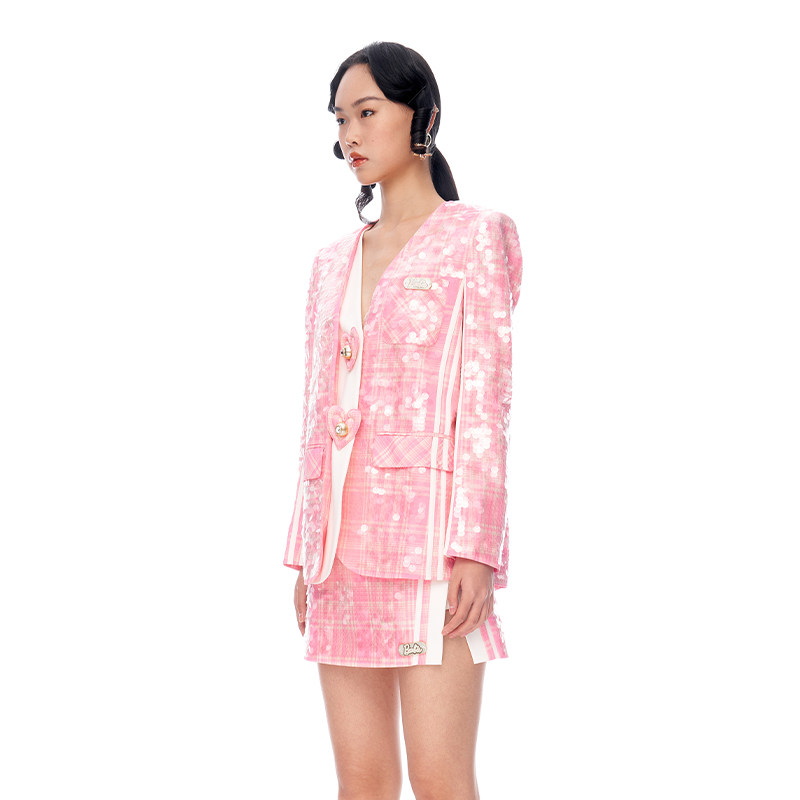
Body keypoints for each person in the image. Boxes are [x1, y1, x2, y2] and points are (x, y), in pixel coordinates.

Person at [284, 41, 523, 800]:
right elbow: (316, 414)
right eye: (339, 120)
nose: (349, 136)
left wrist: (476, 550)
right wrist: (305, 552)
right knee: (362, 781)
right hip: (339, 554)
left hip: (432, 548)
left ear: (422, 115)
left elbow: (485, 403)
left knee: (440, 778)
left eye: (366, 113)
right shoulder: (330, 262)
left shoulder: (476, 235)